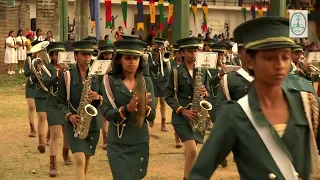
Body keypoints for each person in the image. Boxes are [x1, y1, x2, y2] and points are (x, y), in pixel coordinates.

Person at [189, 16, 320, 180]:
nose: (280, 65)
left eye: (285, 57)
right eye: (270, 58)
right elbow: (199, 173)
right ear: (250, 61)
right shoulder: (235, 115)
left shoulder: (305, 102)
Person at [100, 38, 156, 180]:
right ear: (119, 59)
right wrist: (127, 108)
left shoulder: (145, 81)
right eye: (128, 58)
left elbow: (152, 116)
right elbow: (107, 113)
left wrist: (146, 109)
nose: (132, 62)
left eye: (136, 58)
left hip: (139, 140)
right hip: (119, 142)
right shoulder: (109, 81)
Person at [57, 40, 103, 180]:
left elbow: (108, 97)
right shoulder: (67, 75)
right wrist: (69, 115)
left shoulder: (98, 75)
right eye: (84, 54)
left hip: (93, 123)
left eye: (90, 55)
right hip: (74, 123)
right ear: (76, 55)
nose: (87, 58)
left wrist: (99, 97)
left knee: (87, 158)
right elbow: (59, 101)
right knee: (79, 159)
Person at [165, 37, 210, 180]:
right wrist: (182, 110)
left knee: (191, 153)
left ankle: (187, 175)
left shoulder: (202, 71)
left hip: (198, 117)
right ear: (182, 52)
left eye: (195, 51)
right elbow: (168, 96)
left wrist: (205, 93)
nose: (194, 54)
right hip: (181, 117)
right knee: (192, 152)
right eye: (190, 51)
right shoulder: (175, 72)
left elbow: (208, 90)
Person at [42, 42, 72, 177]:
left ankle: (66, 153)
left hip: (67, 104)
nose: (59, 56)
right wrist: (58, 73)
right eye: (56, 54)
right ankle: (53, 164)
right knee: (55, 134)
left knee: (67, 133)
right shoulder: (46, 68)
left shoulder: (70, 67)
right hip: (53, 104)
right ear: (52, 56)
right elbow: (46, 83)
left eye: (61, 54)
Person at [30, 42, 51, 153]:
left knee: (51, 118)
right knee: (42, 116)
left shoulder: (52, 63)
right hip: (40, 93)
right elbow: (32, 78)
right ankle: (41, 141)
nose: (44, 53)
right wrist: (37, 72)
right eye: (42, 51)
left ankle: (49, 137)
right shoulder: (36, 62)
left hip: (52, 93)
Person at [148, 37, 171, 131]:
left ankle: (163, 123)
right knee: (154, 101)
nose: (159, 47)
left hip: (163, 80)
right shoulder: (150, 55)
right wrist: (157, 60)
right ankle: (152, 117)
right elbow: (150, 67)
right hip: (154, 80)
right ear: (155, 45)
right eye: (158, 45)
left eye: (161, 45)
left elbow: (166, 67)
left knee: (163, 102)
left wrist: (163, 58)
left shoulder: (165, 53)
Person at [97, 42, 115, 150]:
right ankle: (105, 139)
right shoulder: (98, 64)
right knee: (104, 118)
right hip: (102, 92)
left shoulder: (116, 65)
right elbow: (97, 81)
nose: (108, 56)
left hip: (113, 92)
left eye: (110, 54)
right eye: (106, 54)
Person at [23, 43, 37, 137]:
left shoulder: (46, 60)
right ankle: (32, 128)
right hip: (31, 85)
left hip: (42, 85)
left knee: (44, 110)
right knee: (32, 107)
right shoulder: (28, 60)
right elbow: (26, 73)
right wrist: (33, 69)